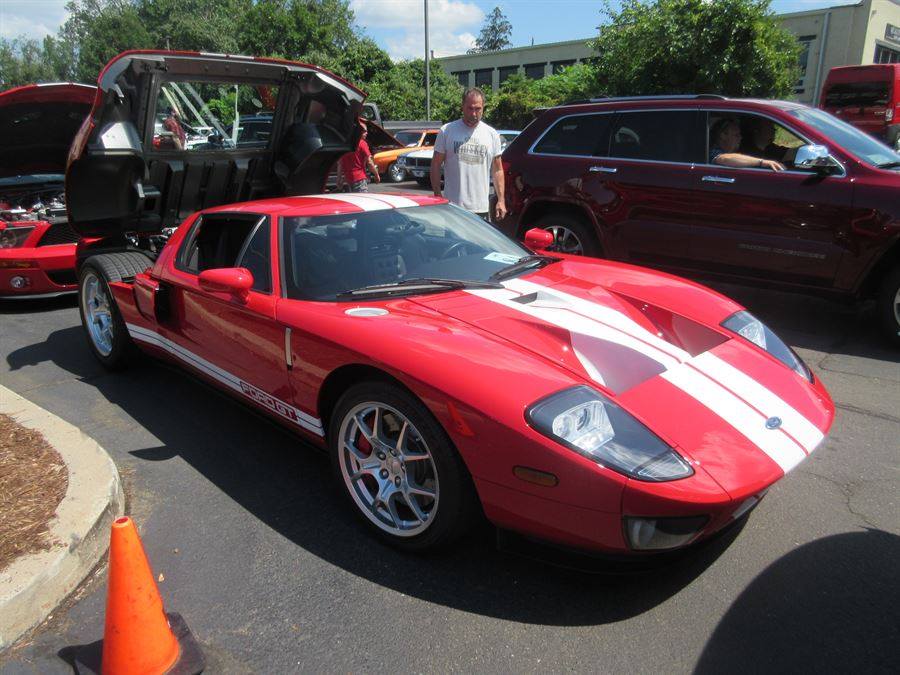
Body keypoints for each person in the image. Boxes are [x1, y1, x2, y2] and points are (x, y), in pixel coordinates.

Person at [431, 88, 505, 222]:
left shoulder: (491, 134)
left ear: (483, 108)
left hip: (481, 208)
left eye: (478, 109)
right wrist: (437, 195)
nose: (474, 113)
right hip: (453, 207)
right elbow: (435, 165)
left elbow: (498, 169)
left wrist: (501, 200)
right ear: (462, 107)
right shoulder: (447, 131)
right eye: (470, 108)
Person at [709, 117, 784, 171]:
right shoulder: (711, 151)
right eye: (736, 135)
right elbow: (723, 158)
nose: (741, 138)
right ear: (723, 136)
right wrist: (762, 162)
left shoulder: (740, 149)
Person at [337, 122, 380, 192]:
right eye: (364, 131)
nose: (366, 133)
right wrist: (376, 174)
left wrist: (339, 179)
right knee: (362, 200)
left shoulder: (345, 144)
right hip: (360, 179)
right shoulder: (362, 143)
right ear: (358, 132)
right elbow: (369, 162)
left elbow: (340, 163)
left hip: (348, 179)